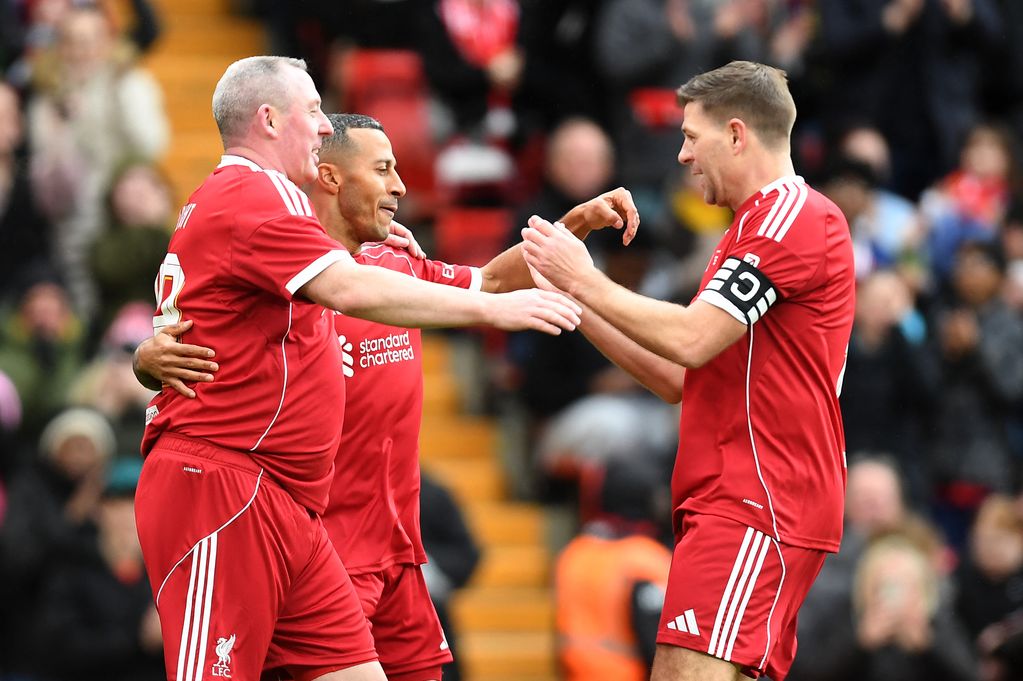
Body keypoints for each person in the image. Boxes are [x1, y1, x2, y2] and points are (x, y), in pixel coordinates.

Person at [135, 110, 639, 681]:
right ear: (329, 177)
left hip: (398, 553)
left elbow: (492, 280)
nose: (401, 186)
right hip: (322, 553)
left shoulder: (392, 262)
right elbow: (189, 347)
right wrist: (145, 360)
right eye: (382, 169)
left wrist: (571, 226)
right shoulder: (281, 287)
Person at [521, 60, 856, 681]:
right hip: (745, 498)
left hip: (759, 498)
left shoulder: (790, 218)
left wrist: (586, 279)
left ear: (735, 135)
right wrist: (573, 299)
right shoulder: (750, 232)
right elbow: (678, 376)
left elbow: (692, 338)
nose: (680, 156)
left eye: (690, 137)